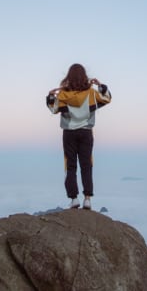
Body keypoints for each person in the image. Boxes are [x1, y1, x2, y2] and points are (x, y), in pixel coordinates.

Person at [46, 63, 111, 210]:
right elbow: (106, 98)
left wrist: (51, 96)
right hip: (86, 132)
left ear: (68, 77)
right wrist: (100, 85)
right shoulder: (91, 93)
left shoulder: (63, 94)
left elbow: (53, 108)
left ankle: (74, 198)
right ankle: (87, 199)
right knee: (86, 165)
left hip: (69, 133)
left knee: (70, 166)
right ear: (84, 76)